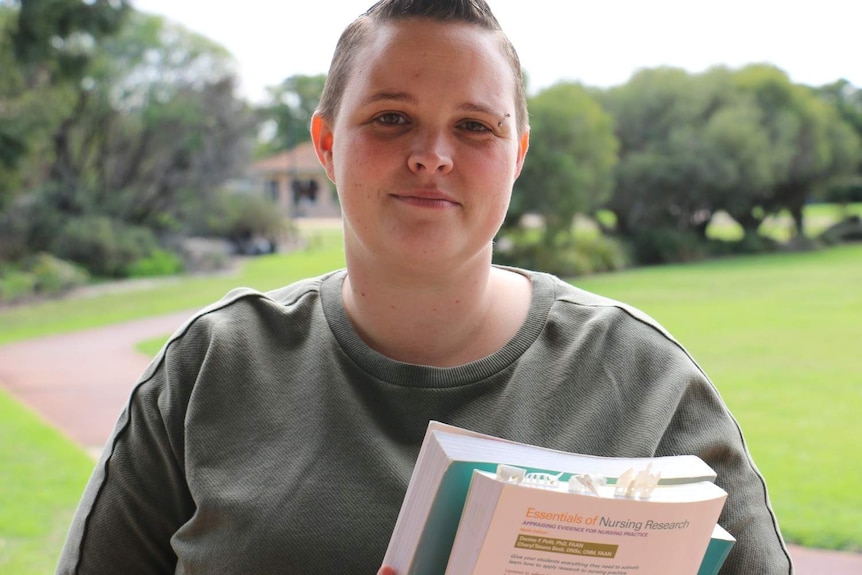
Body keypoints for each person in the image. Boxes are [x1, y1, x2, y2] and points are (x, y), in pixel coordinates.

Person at [57, 0, 792, 573]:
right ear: (325, 142)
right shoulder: (211, 367)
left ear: (518, 155)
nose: (432, 155)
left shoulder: (648, 381)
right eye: (391, 118)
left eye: (475, 126)